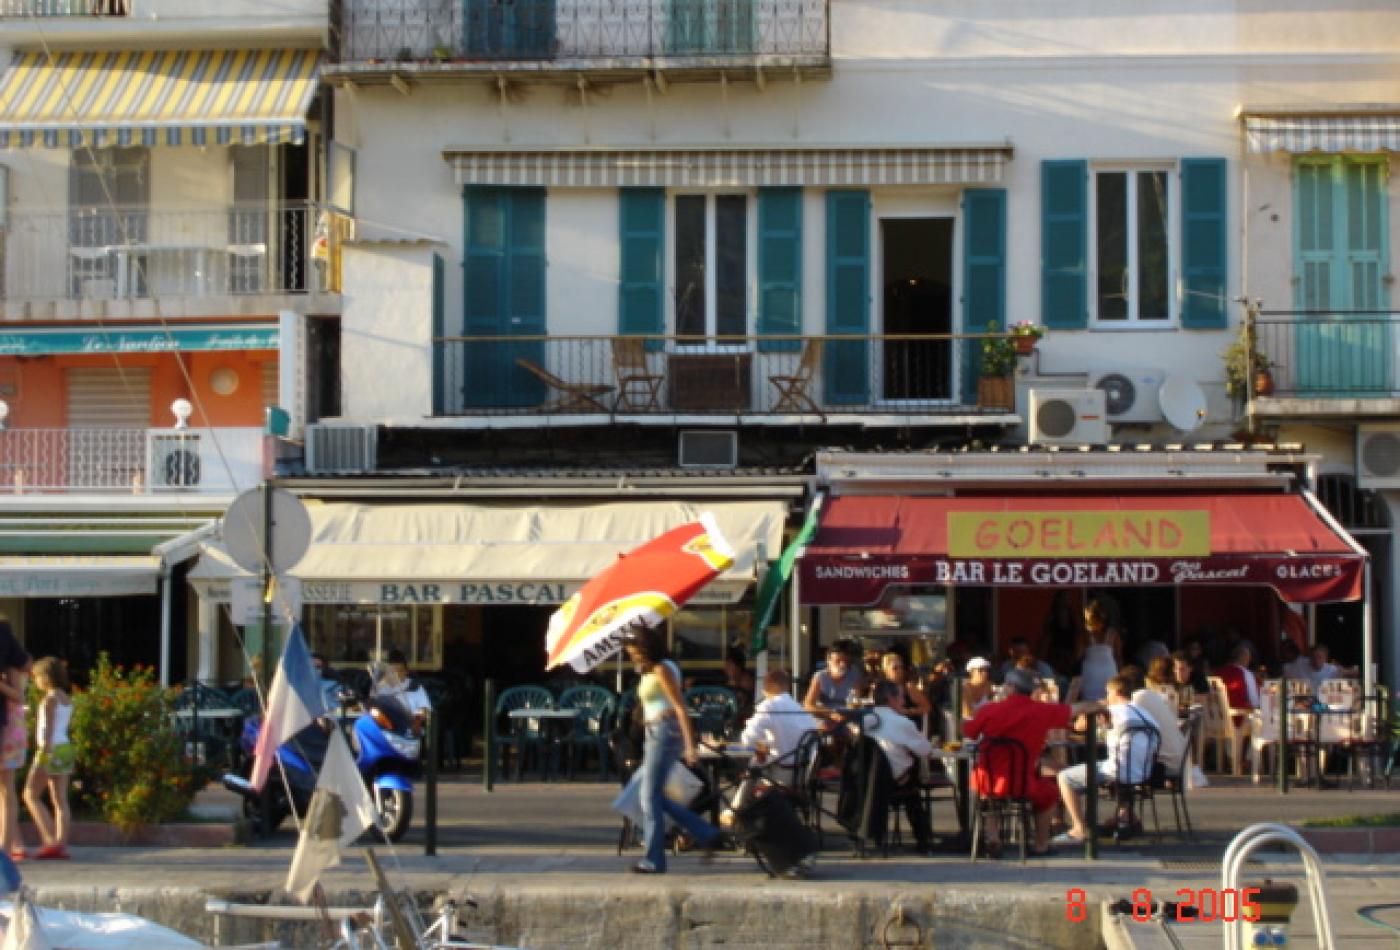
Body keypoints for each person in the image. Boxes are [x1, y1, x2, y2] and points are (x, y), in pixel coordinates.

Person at [623, 625, 721, 874]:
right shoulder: (654, 669)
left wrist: (690, 745)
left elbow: (679, 707)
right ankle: (704, 832)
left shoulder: (662, 669)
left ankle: (655, 859)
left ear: (645, 648)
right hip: (657, 731)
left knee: (648, 797)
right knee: (653, 796)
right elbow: (659, 704)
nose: (632, 657)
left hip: (665, 734)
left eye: (634, 652)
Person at [1053, 674, 1155, 846]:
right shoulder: (1145, 713)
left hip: (1116, 769)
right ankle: (1124, 817)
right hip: (1143, 771)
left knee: (1065, 777)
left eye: (1108, 693)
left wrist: (1098, 706)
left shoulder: (1113, 710)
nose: (1107, 696)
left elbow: (1080, 726)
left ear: (1115, 691)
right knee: (1107, 768)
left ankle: (1079, 827)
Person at [863, 679, 935, 854]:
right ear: (891, 699)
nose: (904, 702)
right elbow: (925, 751)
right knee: (913, 787)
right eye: (902, 697)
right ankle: (923, 839)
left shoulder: (863, 720)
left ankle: (870, 835)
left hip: (867, 781)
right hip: (895, 781)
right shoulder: (902, 723)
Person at [23, 658, 73, 861]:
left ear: (45, 678)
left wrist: (43, 754)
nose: (35, 681)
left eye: (36, 677)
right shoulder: (66, 699)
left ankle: (49, 839)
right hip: (66, 747)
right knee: (60, 800)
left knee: (30, 794)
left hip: (50, 748)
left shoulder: (49, 700)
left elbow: (47, 729)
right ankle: (61, 843)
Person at [740, 670, 819, 785]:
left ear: (765, 690)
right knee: (758, 760)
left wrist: (762, 747)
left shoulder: (769, 706)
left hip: (780, 773)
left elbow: (748, 740)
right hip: (803, 773)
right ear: (787, 687)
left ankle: (740, 802)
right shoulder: (800, 709)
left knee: (755, 762)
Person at [0, 620, 30, 864]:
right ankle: (7, 849)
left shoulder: (12, 670)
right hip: (9, 727)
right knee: (6, 791)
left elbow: (19, 696)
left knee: (6, 790)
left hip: (9, 729)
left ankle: (6, 848)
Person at [1121, 665, 1186, 777]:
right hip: (1178, 760)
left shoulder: (1137, 698)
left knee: (1122, 762)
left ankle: (1122, 790)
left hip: (1163, 764)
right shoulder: (1151, 695)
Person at [803, 640, 865, 716]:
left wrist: (853, 707)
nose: (842, 665)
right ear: (829, 661)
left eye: (846, 661)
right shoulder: (820, 676)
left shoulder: (854, 675)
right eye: (838, 661)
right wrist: (831, 714)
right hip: (824, 715)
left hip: (847, 716)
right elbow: (808, 705)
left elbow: (856, 700)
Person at [1076, 598, 1121, 702]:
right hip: (1109, 671)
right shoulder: (1113, 634)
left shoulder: (1084, 635)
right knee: (1110, 702)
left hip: (1091, 672)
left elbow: (1078, 655)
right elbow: (1119, 657)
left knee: (1089, 704)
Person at [879, 650, 932, 721]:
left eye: (901, 667)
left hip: (907, 724)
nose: (900, 670)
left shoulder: (908, 687)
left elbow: (927, 707)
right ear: (886, 670)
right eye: (895, 668)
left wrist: (907, 711)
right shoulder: (882, 687)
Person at [382, 649, 432, 720]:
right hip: (385, 726)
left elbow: (426, 711)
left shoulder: (415, 687)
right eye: (393, 672)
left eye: (400, 671)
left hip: (410, 726)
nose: (397, 675)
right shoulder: (382, 687)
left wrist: (413, 714)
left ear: (406, 671)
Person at [1043, 591, 1080, 677]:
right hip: (1056, 650)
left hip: (1070, 650)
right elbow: (1046, 634)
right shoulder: (1052, 615)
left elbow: (1078, 632)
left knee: (1069, 673)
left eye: (1067, 599)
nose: (1065, 601)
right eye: (1063, 599)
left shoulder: (1073, 615)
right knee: (1055, 673)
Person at [1217, 643, 1259, 711]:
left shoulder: (1218, 672)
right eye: (1249, 657)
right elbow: (1255, 702)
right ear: (1244, 657)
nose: (1250, 660)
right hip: (1241, 716)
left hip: (1220, 714)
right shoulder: (1246, 673)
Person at [723, 647, 757, 719]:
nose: (727, 668)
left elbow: (740, 703)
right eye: (726, 665)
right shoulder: (730, 680)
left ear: (738, 667)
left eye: (730, 665)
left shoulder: (747, 682)